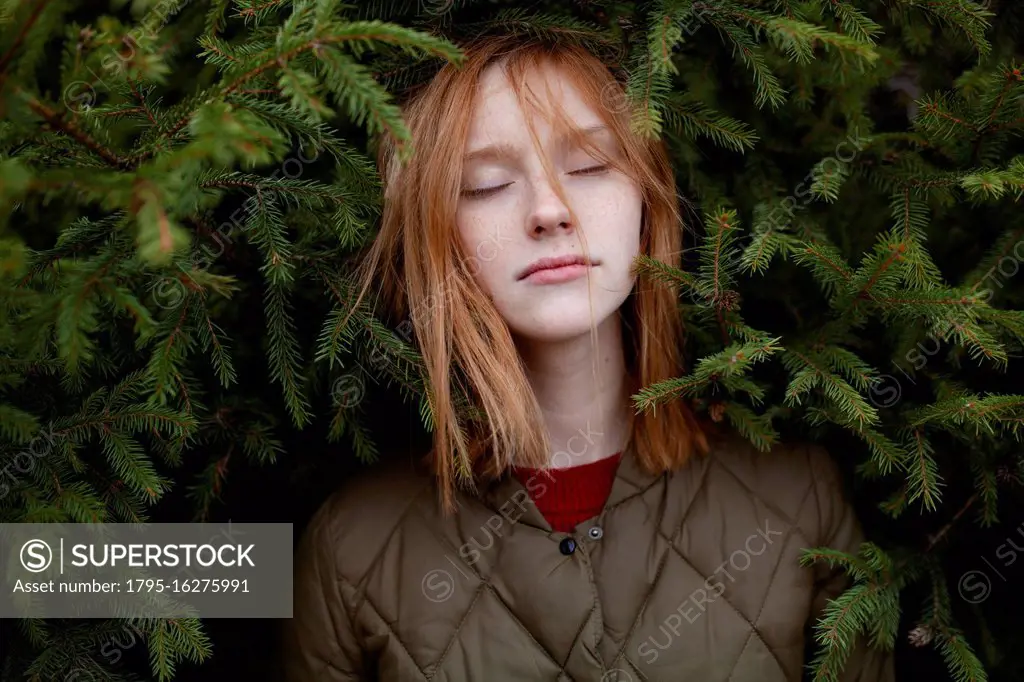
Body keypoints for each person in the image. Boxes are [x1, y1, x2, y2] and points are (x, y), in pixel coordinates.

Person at [281, 32, 895, 682]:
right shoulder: (354, 547)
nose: (549, 210)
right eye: (486, 183)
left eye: (590, 165)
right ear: (436, 231)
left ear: (646, 200)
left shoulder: (799, 496)